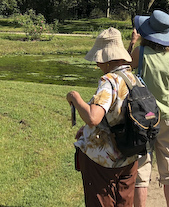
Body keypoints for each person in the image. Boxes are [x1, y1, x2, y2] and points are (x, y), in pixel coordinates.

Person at [67, 27, 140, 207]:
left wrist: (75, 98)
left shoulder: (109, 81)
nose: (98, 64)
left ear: (107, 60)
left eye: (99, 60)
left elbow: (93, 117)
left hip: (104, 160)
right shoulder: (133, 79)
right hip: (130, 154)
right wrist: (88, 130)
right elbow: (122, 115)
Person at [127, 10, 169, 207]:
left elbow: (126, 69)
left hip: (145, 115)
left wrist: (133, 42)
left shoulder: (140, 53)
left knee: (141, 169)